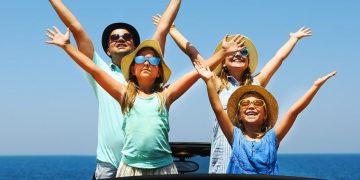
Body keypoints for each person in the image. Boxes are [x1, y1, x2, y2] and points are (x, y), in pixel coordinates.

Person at [45, 24, 244, 176]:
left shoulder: (165, 95)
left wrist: (223, 53)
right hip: (129, 168)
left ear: (159, 71)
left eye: (153, 60)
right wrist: (67, 47)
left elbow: (198, 72)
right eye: (140, 59)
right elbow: (94, 69)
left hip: (164, 168)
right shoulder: (124, 94)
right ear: (133, 68)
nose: (147, 62)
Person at [154, 16, 312, 173]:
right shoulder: (216, 83)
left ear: (248, 61)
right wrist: (172, 30)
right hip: (223, 158)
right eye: (232, 52)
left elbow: (279, 58)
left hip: (252, 162)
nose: (238, 54)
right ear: (223, 61)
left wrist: (293, 39)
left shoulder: (256, 83)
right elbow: (192, 53)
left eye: (243, 51)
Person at [48, 0, 181, 178]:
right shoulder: (99, 70)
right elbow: (76, 28)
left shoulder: (147, 71)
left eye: (127, 37)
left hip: (145, 164)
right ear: (108, 50)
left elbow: (162, 28)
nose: (120, 39)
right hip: (109, 164)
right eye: (114, 37)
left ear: (136, 48)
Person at [195, 62, 336, 174]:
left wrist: (315, 86)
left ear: (265, 115)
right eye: (244, 104)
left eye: (257, 103)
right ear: (238, 116)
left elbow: (293, 112)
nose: (251, 106)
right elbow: (219, 109)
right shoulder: (234, 136)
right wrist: (209, 81)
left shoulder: (272, 138)